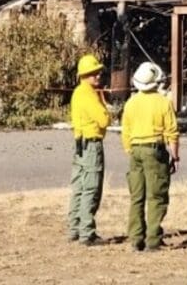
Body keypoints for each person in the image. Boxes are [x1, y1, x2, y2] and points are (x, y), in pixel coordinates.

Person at [121, 61, 180, 252]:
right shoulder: (163, 102)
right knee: (156, 196)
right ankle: (153, 240)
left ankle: (135, 239)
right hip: (154, 149)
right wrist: (175, 156)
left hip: (135, 150)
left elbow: (126, 131)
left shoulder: (130, 103)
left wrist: (130, 150)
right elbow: (172, 131)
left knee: (136, 196)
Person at [67, 53, 111, 245]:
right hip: (92, 143)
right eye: (94, 73)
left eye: (98, 72)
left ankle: (74, 227)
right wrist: (103, 102)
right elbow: (104, 119)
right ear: (85, 75)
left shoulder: (77, 92)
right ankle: (87, 232)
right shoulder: (89, 95)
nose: (98, 76)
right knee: (91, 188)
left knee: (79, 186)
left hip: (80, 143)